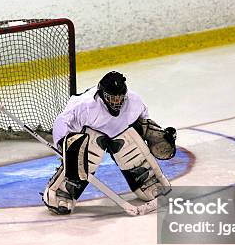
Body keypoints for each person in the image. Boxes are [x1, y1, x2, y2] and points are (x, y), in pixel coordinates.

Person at [42, 71, 176, 215]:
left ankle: (147, 180)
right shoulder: (84, 105)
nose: (116, 102)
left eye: (119, 98)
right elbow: (61, 121)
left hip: (121, 135)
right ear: (101, 94)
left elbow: (144, 122)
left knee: (130, 140)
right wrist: (63, 145)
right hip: (91, 136)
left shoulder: (134, 101)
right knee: (86, 148)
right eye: (112, 98)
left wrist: (153, 135)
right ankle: (66, 188)